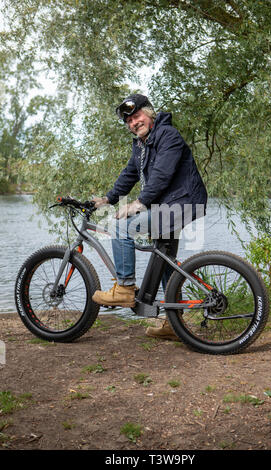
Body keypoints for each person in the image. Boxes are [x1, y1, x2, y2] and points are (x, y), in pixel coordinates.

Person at [92, 94, 207, 339]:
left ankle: (124, 288)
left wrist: (139, 203)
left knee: (120, 226)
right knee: (163, 260)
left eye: (137, 116)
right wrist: (108, 199)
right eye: (129, 121)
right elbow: (129, 175)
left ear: (150, 113)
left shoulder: (167, 136)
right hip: (170, 206)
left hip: (181, 203)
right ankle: (173, 323)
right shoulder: (141, 145)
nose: (134, 123)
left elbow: (162, 176)